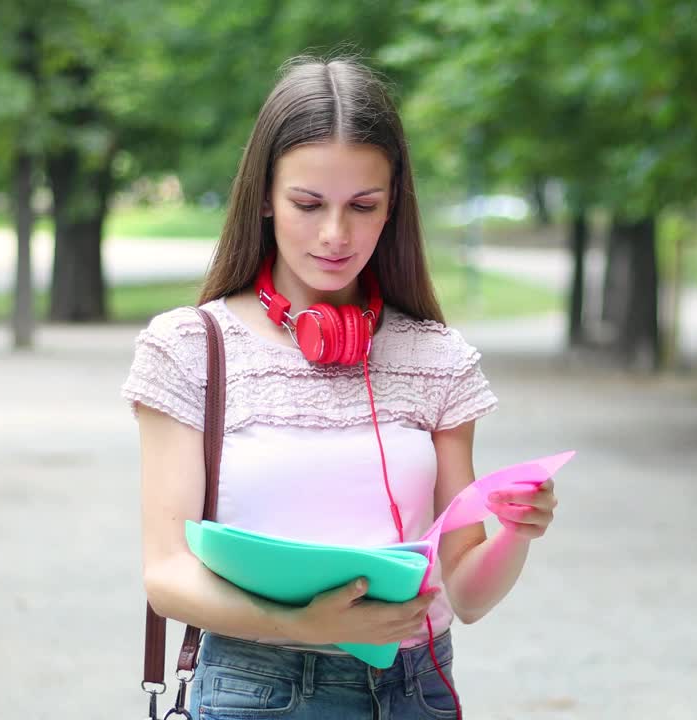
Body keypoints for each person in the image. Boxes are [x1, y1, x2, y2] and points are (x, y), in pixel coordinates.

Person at [121, 56, 560, 719]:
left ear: (394, 207)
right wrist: (303, 625)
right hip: (257, 687)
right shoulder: (189, 349)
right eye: (307, 204)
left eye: (363, 206)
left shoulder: (435, 358)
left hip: (414, 689)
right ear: (264, 199)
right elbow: (167, 575)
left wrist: (515, 532)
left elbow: (466, 594)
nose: (335, 234)